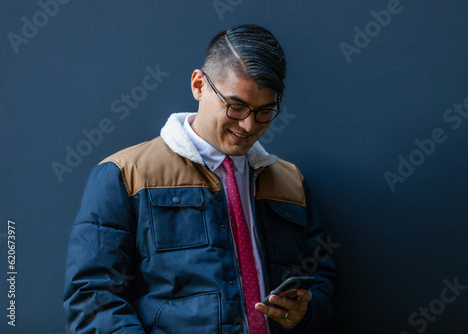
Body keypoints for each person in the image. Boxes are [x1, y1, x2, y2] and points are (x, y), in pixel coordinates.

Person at [64, 24, 336, 334]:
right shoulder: (124, 174)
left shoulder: (291, 182)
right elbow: (93, 299)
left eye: (264, 111)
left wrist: (306, 311)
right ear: (198, 85)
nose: (248, 125)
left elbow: (323, 277)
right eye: (236, 107)